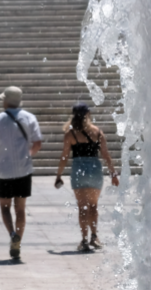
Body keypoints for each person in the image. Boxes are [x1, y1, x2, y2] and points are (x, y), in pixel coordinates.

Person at [0, 86, 43, 260]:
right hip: (24, 170)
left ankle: (12, 234)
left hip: (4, 170)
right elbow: (38, 142)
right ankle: (19, 238)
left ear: (5, 101)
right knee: (21, 209)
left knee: (4, 207)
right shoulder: (29, 117)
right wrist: (27, 155)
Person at [53, 103, 120, 251]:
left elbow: (64, 156)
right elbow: (106, 155)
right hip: (95, 170)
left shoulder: (70, 135)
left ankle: (84, 240)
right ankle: (94, 237)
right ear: (88, 114)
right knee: (93, 206)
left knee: (82, 207)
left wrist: (58, 175)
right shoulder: (97, 132)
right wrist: (113, 174)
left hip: (79, 171)